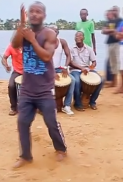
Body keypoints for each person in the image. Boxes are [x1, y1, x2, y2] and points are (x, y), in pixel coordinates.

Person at [11, 2, 67, 168]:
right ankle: (25, 156)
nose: (34, 14)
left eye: (38, 11)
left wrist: (32, 40)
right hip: (27, 89)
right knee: (22, 122)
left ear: (44, 16)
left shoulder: (49, 34)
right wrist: (21, 26)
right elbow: (14, 45)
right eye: (31, 12)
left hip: (44, 90)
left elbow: (46, 57)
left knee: (51, 121)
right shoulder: (25, 32)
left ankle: (61, 149)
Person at [70, 31, 104, 111]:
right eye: (76, 36)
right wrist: (81, 68)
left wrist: (89, 68)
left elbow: (94, 62)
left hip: (87, 70)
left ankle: (92, 102)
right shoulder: (71, 49)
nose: (78, 37)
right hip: (75, 70)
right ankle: (77, 103)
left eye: (80, 35)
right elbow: (70, 62)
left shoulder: (89, 48)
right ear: (74, 38)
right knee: (77, 82)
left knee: (101, 80)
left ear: (84, 38)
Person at [49, 25, 75, 115]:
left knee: (72, 80)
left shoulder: (62, 42)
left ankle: (67, 105)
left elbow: (68, 56)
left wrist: (65, 67)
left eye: (54, 31)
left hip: (58, 68)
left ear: (57, 32)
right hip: (47, 69)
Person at [102, 10, 123, 88]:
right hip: (110, 43)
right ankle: (113, 82)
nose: (107, 16)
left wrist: (111, 31)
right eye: (106, 15)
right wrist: (112, 31)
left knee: (117, 62)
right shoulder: (108, 22)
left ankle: (118, 82)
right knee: (111, 63)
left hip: (117, 44)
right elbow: (103, 31)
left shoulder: (119, 21)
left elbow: (118, 32)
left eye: (108, 14)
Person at [1, 44, 23, 116]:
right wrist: (6, 65)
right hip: (17, 71)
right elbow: (4, 58)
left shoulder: (29, 45)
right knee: (11, 86)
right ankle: (14, 107)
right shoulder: (11, 46)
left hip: (29, 71)